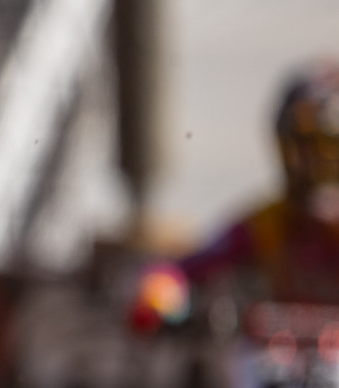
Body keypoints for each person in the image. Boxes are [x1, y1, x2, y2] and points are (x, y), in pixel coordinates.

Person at [135, 65, 339, 326]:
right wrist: (158, 295)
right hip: (276, 360)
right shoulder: (270, 224)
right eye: (304, 149)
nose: (315, 165)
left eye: (329, 150)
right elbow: (183, 269)